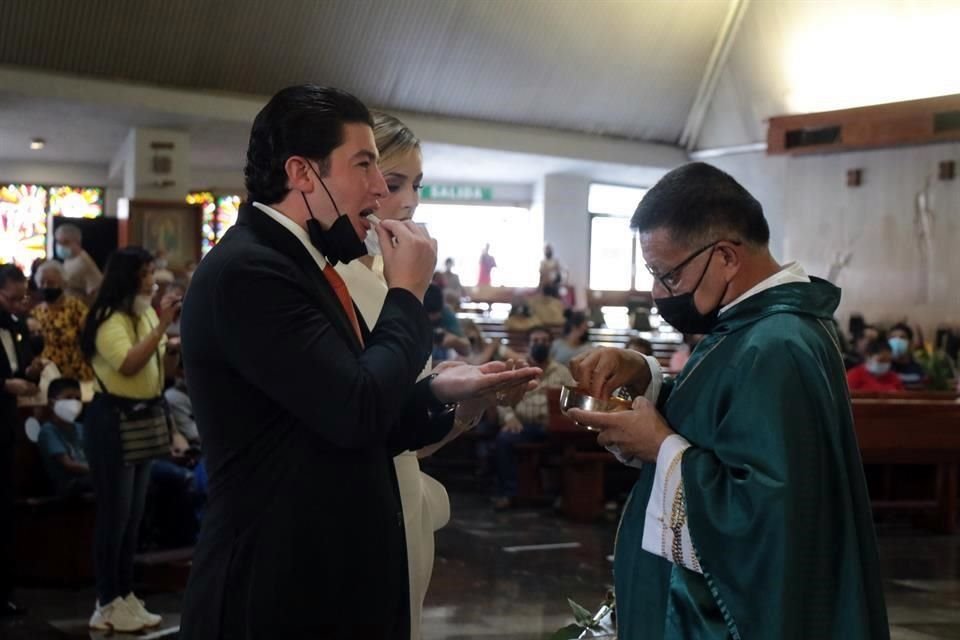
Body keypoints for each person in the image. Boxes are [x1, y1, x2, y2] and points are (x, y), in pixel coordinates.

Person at [178, 85, 539, 640]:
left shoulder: (305, 264)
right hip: (278, 580)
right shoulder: (251, 272)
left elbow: (352, 408)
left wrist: (443, 392)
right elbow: (356, 411)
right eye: (364, 165)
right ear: (302, 173)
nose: (378, 188)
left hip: (326, 570)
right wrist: (407, 294)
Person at [567, 162, 887, 639]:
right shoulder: (749, 327)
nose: (657, 293)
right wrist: (644, 378)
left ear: (725, 257)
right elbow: (722, 425)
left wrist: (660, 447)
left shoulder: (776, 344)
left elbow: (766, 516)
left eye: (668, 275)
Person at [335, 111, 532, 639]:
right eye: (392, 182)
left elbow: (410, 439)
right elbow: (361, 415)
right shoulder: (338, 284)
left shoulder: (393, 281)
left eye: (416, 185)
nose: (408, 201)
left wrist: (465, 405)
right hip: (352, 508)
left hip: (405, 499)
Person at [79, 247, 180, 633]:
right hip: (111, 421)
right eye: (147, 272)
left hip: (143, 418)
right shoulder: (109, 318)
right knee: (114, 516)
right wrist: (161, 327)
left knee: (133, 517)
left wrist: (171, 344)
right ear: (128, 277)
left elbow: (159, 367)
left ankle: (125, 595)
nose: (152, 280)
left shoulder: (146, 313)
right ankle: (106, 601)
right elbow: (128, 364)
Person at [492, 325, 574, 510]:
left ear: (551, 344)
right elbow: (501, 398)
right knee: (503, 439)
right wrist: (509, 418)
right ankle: (507, 494)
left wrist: (562, 419)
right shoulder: (517, 370)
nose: (540, 344)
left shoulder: (562, 372)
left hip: (551, 427)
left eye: (544, 341)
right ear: (527, 345)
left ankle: (561, 496)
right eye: (536, 341)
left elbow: (572, 401)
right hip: (523, 426)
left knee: (570, 446)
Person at [0, 264, 41, 617]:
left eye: (20, 299)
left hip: (7, 426)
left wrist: (30, 372)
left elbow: (18, 365)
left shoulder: (16, 326)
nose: (17, 305)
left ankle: (6, 592)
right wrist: (4, 385)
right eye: (10, 299)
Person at [30, 260, 94, 381]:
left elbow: (89, 338)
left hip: (76, 374)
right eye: (42, 283)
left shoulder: (76, 307)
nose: (46, 287)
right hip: (47, 376)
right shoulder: (36, 313)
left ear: (63, 284)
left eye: (51, 283)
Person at [37, 377, 92, 496]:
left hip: (88, 478)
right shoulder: (48, 431)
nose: (74, 403)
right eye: (68, 398)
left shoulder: (81, 428)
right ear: (51, 403)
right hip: (69, 485)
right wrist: (97, 471)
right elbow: (68, 465)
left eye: (78, 399)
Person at [55, 223, 103, 302]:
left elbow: (95, 292)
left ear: (77, 242)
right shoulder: (69, 259)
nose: (61, 246)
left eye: (66, 242)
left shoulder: (83, 262)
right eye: (58, 242)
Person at [889, 322, 926, 389]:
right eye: (893, 337)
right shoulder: (883, 367)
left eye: (902, 337)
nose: (897, 341)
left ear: (910, 343)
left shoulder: (920, 369)